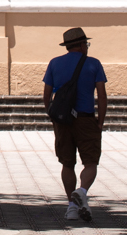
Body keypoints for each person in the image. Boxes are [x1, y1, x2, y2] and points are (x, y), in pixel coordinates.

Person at [42, 26, 108, 223]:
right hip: (86, 118)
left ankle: (71, 207)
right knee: (90, 162)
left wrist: (53, 117)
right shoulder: (93, 64)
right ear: (80, 45)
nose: (87, 47)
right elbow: (102, 96)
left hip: (63, 121)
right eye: (86, 44)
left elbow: (47, 95)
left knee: (67, 163)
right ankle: (82, 191)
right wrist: (100, 122)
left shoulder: (54, 63)